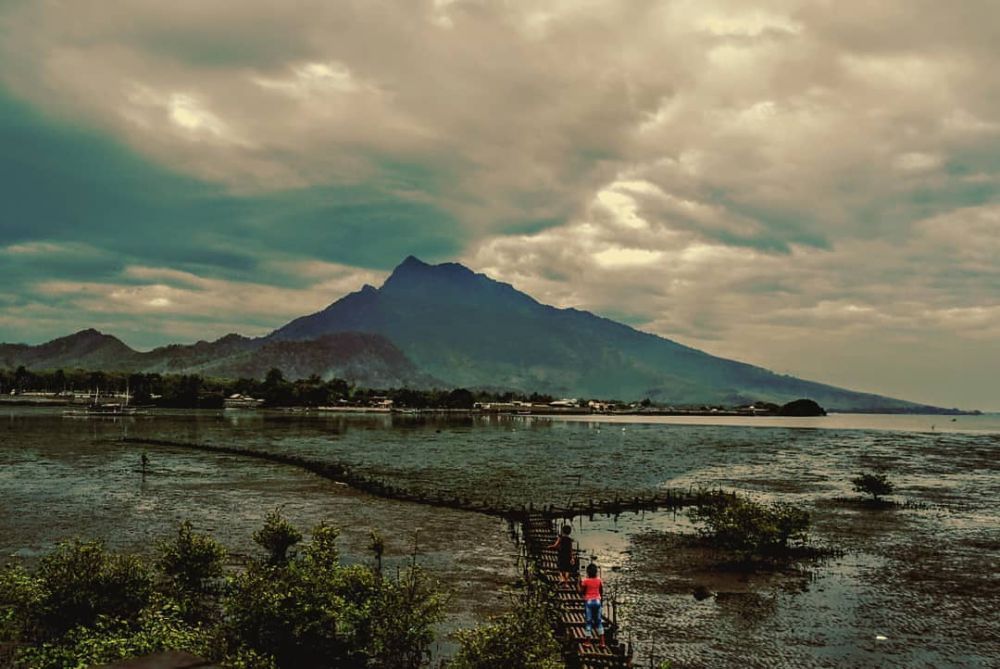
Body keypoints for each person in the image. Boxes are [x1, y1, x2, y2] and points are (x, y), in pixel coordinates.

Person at [580, 562, 605, 648]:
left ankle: (588, 642)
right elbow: (601, 591)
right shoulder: (599, 580)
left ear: (588, 572)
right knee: (598, 621)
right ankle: (602, 642)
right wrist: (601, 600)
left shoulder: (585, 581)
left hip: (589, 602)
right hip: (597, 601)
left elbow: (582, 591)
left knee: (588, 621)